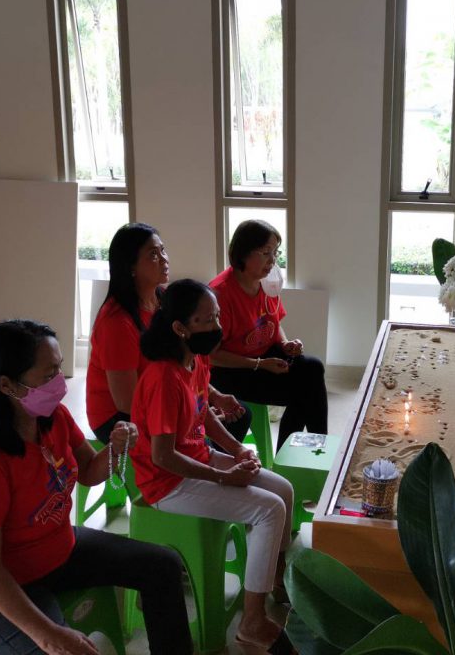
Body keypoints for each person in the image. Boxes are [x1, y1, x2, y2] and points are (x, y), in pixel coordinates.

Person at [0, 320, 192, 655]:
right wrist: (49, 635)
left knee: (163, 565)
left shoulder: (54, 418)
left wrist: (116, 447)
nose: (59, 383)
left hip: (59, 551)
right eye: (48, 375)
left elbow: (90, 472)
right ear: (7, 385)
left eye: (59, 368)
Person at [130, 280, 295, 654]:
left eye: (217, 316)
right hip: (167, 483)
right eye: (206, 320)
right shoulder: (162, 378)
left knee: (282, 489)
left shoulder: (196, 358)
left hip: (198, 460)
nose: (217, 327)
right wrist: (223, 476)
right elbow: (162, 456)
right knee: (269, 510)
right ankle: (252, 622)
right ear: (180, 328)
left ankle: (276, 578)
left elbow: (202, 410)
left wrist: (238, 450)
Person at [87, 222, 249, 445]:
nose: (164, 259)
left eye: (163, 250)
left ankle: (210, 457)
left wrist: (213, 397)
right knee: (194, 443)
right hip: (120, 420)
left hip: (166, 396)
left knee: (240, 415)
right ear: (130, 266)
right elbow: (126, 401)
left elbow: (186, 368)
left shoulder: (163, 299)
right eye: (153, 255)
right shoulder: (116, 323)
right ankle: (206, 460)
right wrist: (190, 412)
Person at [209, 219, 328, 450]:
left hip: (264, 357)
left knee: (312, 368)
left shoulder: (267, 282)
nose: (273, 260)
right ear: (243, 253)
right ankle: (311, 451)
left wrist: (285, 344)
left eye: (275, 252)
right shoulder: (220, 294)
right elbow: (212, 355)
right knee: (304, 391)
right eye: (266, 253)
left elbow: (274, 322)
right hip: (232, 370)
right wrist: (259, 364)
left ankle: (315, 448)